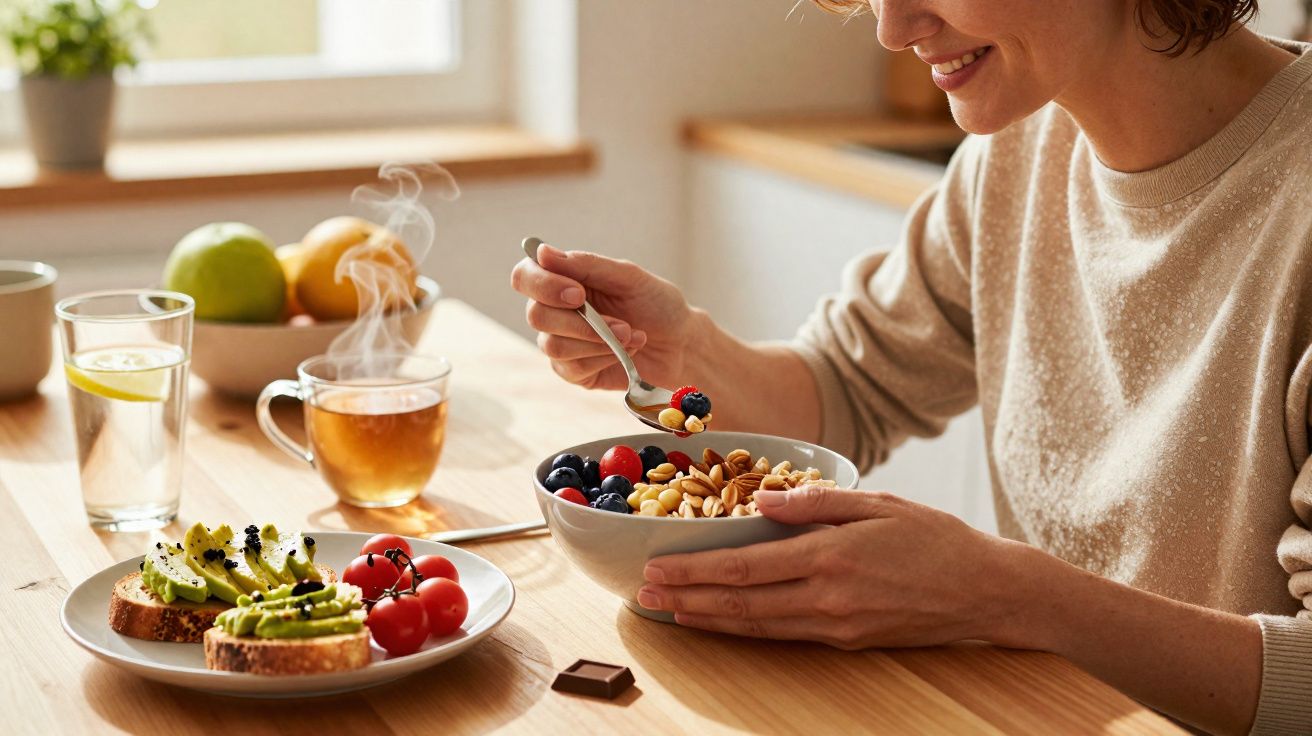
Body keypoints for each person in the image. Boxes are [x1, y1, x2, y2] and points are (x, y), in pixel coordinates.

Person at [511, 1, 1312, 733]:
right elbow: (849, 387)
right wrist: (686, 352)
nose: (893, 29)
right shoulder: (1019, 149)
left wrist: (1006, 595)